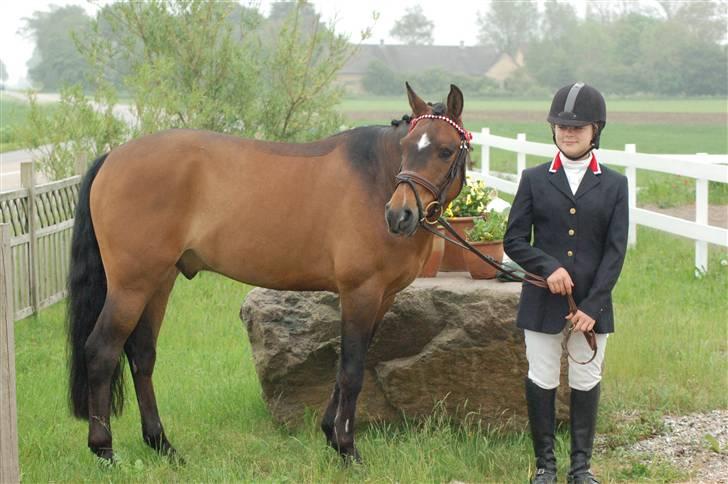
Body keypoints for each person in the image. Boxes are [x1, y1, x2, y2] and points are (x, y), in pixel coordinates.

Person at [503, 82, 629, 484]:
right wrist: (547, 266)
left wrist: (593, 306)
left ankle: (580, 468)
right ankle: (545, 467)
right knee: (541, 375)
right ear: (552, 128)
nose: (568, 132)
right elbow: (514, 240)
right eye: (560, 125)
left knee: (585, 379)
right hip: (543, 300)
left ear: (596, 130)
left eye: (577, 126)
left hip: (593, 304)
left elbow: (615, 251)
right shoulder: (534, 178)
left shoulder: (615, 185)